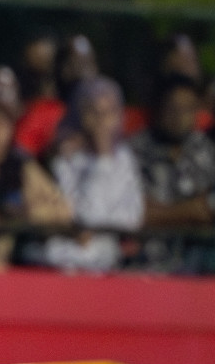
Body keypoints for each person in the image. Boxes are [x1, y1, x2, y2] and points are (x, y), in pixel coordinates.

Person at [43, 77, 142, 272]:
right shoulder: (65, 159)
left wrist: (103, 158)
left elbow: (131, 217)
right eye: (94, 112)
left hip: (110, 259)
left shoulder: (125, 159)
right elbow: (79, 214)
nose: (101, 121)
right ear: (81, 114)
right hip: (68, 257)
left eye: (108, 112)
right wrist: (100, 160)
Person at [0, 100, 70, 269]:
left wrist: (28, 213)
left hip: (19, 260)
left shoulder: (23, 169)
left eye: (1, 125)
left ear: (11, 130)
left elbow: (62, 211)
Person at [132, 75, 215, 272]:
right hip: (149, 263)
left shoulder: (206, 151)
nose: (180, 116)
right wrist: (192, 211)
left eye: (188, 109)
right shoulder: (134, 152)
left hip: (202, 264)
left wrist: (161, 213)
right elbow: (134, 212)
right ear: (158, 109)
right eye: (173, 108)